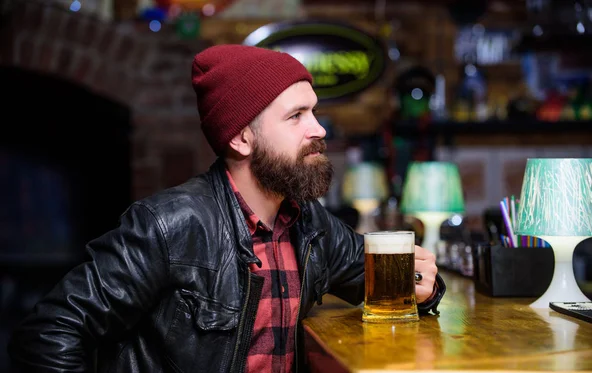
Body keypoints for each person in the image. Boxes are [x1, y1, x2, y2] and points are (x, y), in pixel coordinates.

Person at [8, 44, 445, 373]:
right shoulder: (169, 224)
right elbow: (47, 335)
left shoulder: (309, 223)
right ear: (241, 138)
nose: (319, 129)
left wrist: (426, 286)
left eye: (314, 112)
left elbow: (390, 286)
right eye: (296, 116)